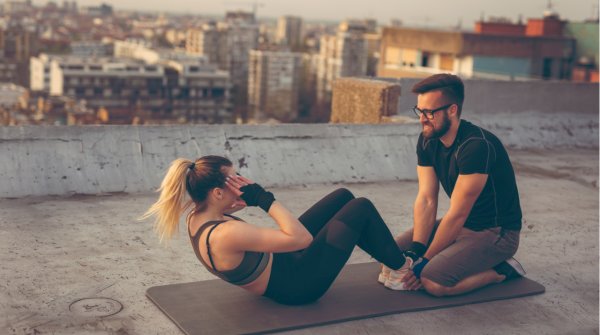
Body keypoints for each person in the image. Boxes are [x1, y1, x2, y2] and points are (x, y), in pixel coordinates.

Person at [141, 155, 412, 305]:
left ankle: (389, 262)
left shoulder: (198, 215)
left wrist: (240, 201)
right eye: (233, 179)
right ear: (216, 192)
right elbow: (301, 239)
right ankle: (401, 270)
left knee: (343, 196)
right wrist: (263, 199)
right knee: (360, 207)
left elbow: (223, 212)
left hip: (282, 266)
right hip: (298, 285)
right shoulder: (225, 234)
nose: (240, 182)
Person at [394, 73, 526, 296]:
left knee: (433, 282)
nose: (422, 119)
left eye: (429, 112)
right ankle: (446, 255)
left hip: (496, 233)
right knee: (394, 254)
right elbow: (426, 198)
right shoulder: (428, 139)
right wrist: (417, 250)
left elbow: (457, 214)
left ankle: (501, 271)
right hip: (461, 226)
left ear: (452, 110)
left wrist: (424, 262)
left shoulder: (476, 147)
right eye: (419, 111)